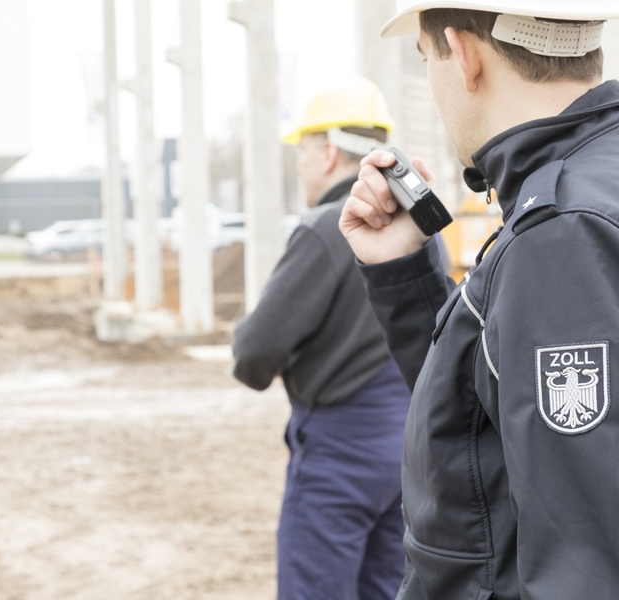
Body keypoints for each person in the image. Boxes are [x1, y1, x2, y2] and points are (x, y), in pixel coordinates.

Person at [339, 2, 619, 599]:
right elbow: (488, 427)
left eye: (425, 59)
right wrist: (401, 273)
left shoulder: (561, 234)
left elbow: (589, 563)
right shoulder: (586, 192)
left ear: (462, 55)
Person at [232, 80, 412, 600]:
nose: (300, 166)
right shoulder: (417, 228)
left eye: (303, 152)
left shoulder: (324, 229)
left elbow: (254, 352)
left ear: (329, 151)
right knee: (386, 588)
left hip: (339, 457)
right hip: (403, 453)